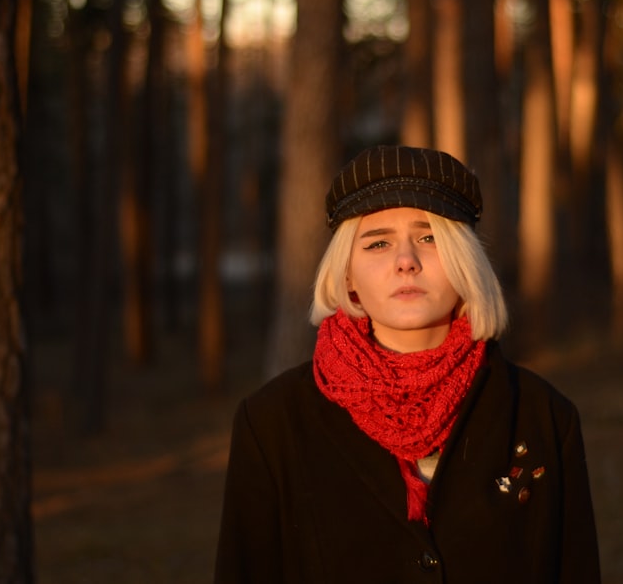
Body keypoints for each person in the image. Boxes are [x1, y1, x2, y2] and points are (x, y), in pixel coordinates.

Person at [214, 145, 601, 583]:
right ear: (347, 277)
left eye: (429, 237)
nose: (405, 262)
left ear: (467, 263)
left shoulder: (544, 416)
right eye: (378, 243)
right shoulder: (271, 423)